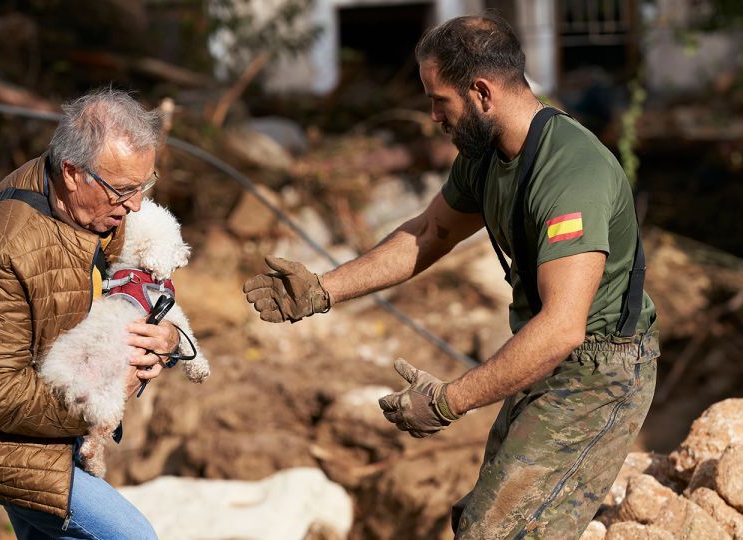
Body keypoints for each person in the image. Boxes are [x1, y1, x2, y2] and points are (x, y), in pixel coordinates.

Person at [243, 13, 659, 539]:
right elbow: (429, 233)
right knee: (477, 521)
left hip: (600, 372)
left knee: (499, 532)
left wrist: (449, 401)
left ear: (481, 93)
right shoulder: (486, 156)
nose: (433, 116)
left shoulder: (572, 173)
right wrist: (322, 290)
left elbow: (562, 328)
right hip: (546, 355)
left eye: (440, 100)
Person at [0, 88, 180, 539]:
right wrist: (102, 400)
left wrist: (170, 342)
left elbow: (132, 289)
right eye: (124, 191)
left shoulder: (96, 208)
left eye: (146, 184)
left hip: (52, 413)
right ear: (74, 173)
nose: (136, 205)